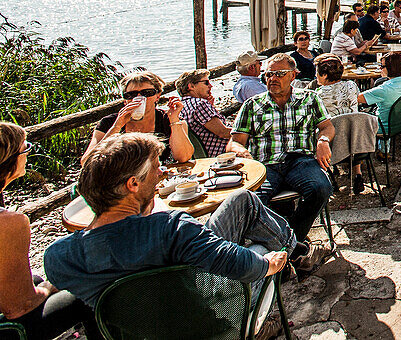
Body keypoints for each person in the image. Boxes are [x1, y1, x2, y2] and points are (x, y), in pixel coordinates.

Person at [44, 133, 321, 340]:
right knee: (261, 248)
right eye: (156, 167)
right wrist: (270, 265)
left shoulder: (59, 258)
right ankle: (280, 279)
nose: (163, 173)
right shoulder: (171, 228)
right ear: (133, 184)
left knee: (242, 200)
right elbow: (245, 267)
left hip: (139, 329)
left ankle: (294, 249)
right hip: (210, 321)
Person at [0, 122, 98, 340]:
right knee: (87, 290)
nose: (27, 155)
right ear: (10, 159)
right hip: (10, 330)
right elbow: (18, 307)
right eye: (26, 149)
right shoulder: (10, 223)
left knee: (33, 278)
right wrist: (50, 286)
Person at [231, 54, 335, 244]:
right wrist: (242, 152)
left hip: (300, 161)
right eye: (269, 74)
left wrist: (323, 141)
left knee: (322, 188)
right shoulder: (252, 105)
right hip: (265, 165)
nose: (272, 79)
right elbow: (235, 141)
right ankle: (290, 246)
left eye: (279, 74)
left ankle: (288, 242)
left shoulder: (309, 99)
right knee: (252, 201)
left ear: (293, 76)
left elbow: (327, 127)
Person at [82, 71, 193, 165]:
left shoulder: (167, 119)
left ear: (157, 96)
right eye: (131, 95)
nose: (139, 98)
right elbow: (87, 162)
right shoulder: (109, 122)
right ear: (125, 100)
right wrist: (117, 127)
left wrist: (174, 120)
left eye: (147, 93)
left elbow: (183, 157)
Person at [312, 55, 370, 194]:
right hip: (357, 141)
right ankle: (357, 174)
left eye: (317, 73)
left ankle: (328, 176)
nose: (316, 76)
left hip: (334, 144)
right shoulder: (351, 85)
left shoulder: (318, 95)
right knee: (350, 124)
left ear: (324, 75)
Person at [177, 69, 249, 159]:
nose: (210, 86)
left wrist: (211, 107)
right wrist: (249, 131)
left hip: (200, 154)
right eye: (206, 83)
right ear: (191, 86)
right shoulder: (199, 104)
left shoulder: (181, 106)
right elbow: (223, 132)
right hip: (222, 153)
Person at [361, 53, 401, 135]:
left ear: (390, 68)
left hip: (385, 128)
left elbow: (356, 98)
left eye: (382, 66)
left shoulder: (384, 90)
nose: (380, 68)